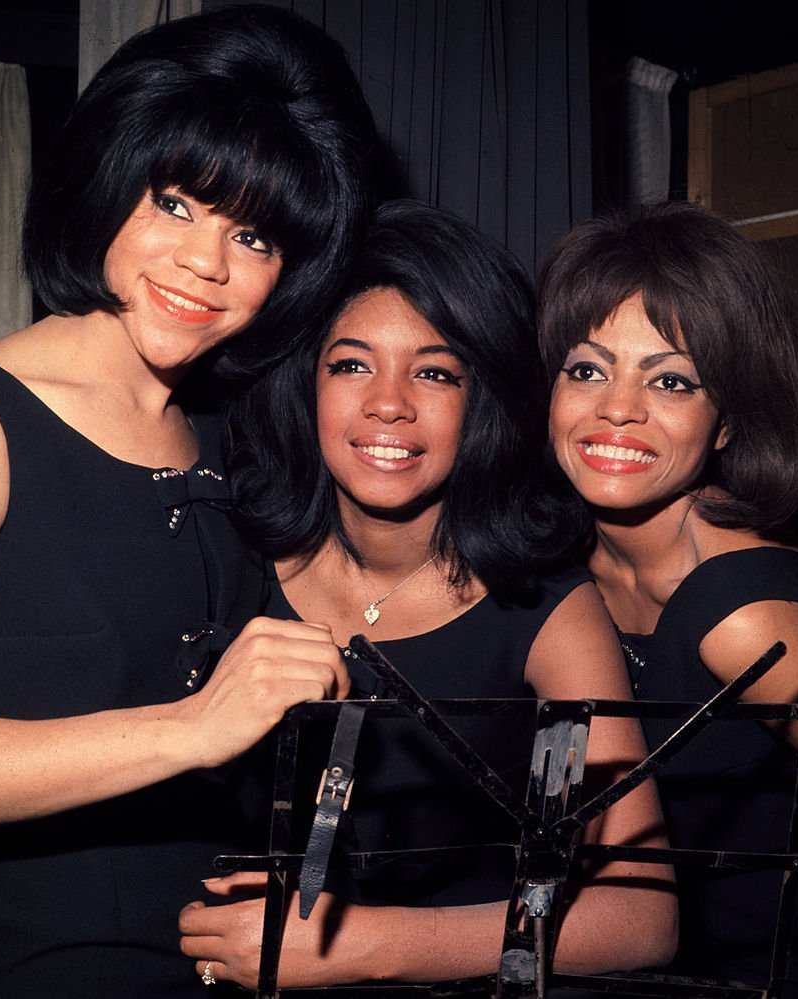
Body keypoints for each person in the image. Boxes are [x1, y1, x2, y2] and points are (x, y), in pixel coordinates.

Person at [0, 6, 375, 996]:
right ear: (107, 182)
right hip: (23, 967)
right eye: (175, 204)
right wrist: (194, 727)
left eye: (252, 234)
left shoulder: (228, 431)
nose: (206, 264)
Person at [178, 199, 677, 991]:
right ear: (304, 384)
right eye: (351, 363)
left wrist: (362, 946)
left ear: (483, 398)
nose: (389, 402)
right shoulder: (230, 559)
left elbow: (642, 916)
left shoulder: (543, 608)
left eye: (435, 371)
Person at [538, 200, 798, 996]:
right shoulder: (563, 569)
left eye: (672, 380)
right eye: (587, 368)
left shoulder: (747, 617)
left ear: (725, 424)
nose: (617, 407)